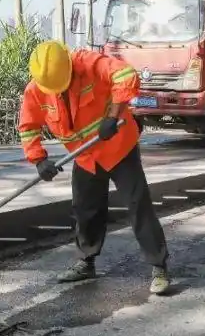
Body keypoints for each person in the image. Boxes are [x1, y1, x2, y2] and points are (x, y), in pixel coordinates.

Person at [17, 40, 171, 295]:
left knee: (137, 205)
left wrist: (112, 116)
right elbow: (28, 126)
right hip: (85, 156)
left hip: (118, 147)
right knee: (86, 210)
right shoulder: (37, 88)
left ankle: (159, 266)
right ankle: (85, 262)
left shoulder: (87, 63)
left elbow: (126, 75)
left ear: (68, 65)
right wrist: (39, 160)